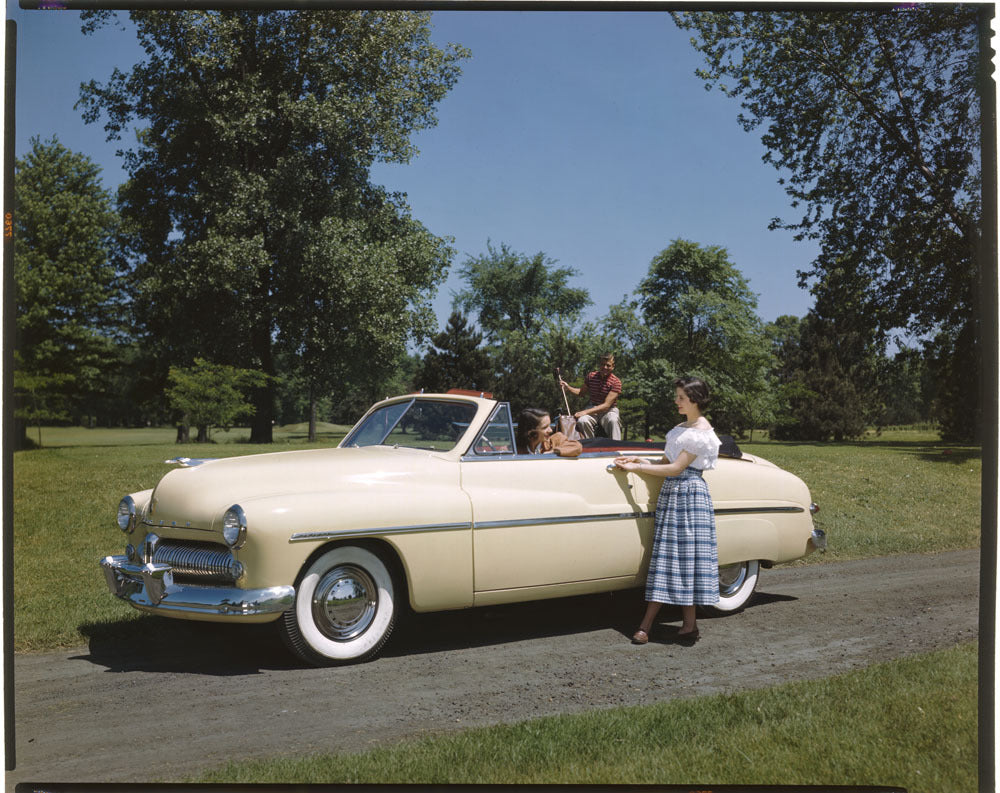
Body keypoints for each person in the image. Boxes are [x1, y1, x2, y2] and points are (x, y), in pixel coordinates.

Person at [613, 376, 721, 645]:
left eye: (681, 397)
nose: (676, 401)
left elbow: (675, 469)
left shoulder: (701, 433)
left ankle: (646, 625)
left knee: (678, 557)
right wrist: (640, 459)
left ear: (695, 400)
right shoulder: (682, 427)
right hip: (673, 494)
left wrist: (638, 469)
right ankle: (689, 626)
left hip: (689, 496)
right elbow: (665, 461)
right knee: (672, 557)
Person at [558, 354, 622, 440]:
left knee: (613, 420)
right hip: (593, 407)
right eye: (603, 364)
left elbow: (606, 405)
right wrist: (568, 387)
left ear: (613, 367)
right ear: (600, 365)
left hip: (609, 410)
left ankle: (616, 446)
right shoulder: (591, 376)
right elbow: (581, 392)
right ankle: (591, 446)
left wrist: (584, 412)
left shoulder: (616, 382)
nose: (605, 367)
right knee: (582, 421)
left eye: (608, 365)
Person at [515, 408, 583, 457]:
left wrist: (552, 452)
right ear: (531, 431)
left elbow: (577, 447)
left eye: (549, 425)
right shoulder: (516, 449)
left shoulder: (556, 440)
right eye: (545, 427)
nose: (550, 430)